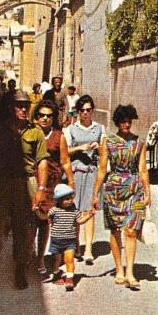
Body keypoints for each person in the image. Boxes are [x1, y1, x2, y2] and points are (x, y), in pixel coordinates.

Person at [0, 89, 49, 298]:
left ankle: (20, 270)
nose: (23, 109)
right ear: (10, 107)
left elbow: (42, 162)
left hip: (26, 183)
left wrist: (41, 189)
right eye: (19, 105)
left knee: (24, 230)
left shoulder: (36, 132)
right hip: (1, 184)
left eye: (26, 106)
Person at [92, 104, 150, 289]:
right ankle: (119, 269)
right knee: (115, 230)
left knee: (132, 230)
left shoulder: (139, 142)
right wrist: (95, 194)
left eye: (129, 121)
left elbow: (143, 169)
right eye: (124, 121)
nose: (127, 124)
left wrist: (147, 193)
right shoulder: (107, 141)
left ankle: (130, 271)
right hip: (113, 189)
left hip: (135, 189)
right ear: (118, 122)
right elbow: (102, 169)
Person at [32, 99, 74, 274]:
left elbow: (64, 161)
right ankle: (26, 256)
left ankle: (41, 258)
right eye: (41, 115)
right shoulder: (30, 134)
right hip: (32, 182)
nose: (45, 119)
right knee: (29, 222)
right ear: (36, 117)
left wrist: (71, 182)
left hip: (51, 185)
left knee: (44, 222)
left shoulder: (59, 136)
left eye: (49, 116)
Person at [64, 94, 105, 263]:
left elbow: (105, 152)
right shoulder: (71, 129)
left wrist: (99, 147)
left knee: (89, 211)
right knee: (75, 210)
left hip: (91, 173)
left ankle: (88, 249)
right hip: (76, 173)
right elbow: (64, 150)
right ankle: (75, 246)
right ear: (78, 112)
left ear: (92, 111)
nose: (85, 113)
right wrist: (79, 147)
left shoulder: (99, 128)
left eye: (88, 110)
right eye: (82, 111)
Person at [36, 183, 95, 291]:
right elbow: (44, 217)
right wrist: (37, 211)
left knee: (69, 259)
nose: (70, 201)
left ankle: (69, 279)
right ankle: (56, 274)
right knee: (56, 260)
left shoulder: (74, 211)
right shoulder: (54, 210)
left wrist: (88, 216)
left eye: (71, 198)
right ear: (59, 200)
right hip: (56, 241)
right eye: (66, 199)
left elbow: (79, 221)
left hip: (69, 241)